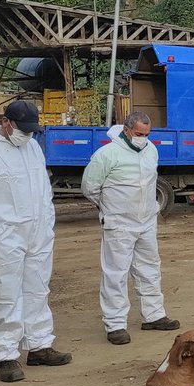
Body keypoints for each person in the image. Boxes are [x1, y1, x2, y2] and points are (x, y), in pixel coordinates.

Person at [0, 100, 72, 382]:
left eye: (33, 130)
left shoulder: (32, 146)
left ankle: (39, 345)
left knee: (37, 290)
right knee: (6, 296)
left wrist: (46, 222)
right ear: (6, 122)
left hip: (37, 233)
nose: (28, 135)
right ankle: (5, 355)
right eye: (23, 129)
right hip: (4, 235)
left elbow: (42, 188)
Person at [80, 112, 180, 344]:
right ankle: (115, 324)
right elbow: (90, 187)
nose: (142, 138)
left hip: (146, 221)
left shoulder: (151, 151)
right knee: (116, 273)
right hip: (119, 223)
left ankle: (154, 315)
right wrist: (110, 207)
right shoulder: (106, 155)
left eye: (146, 134)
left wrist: (151, 208)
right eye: (138, 134)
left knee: (150, 269)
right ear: (126, 130)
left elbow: (150, 181)